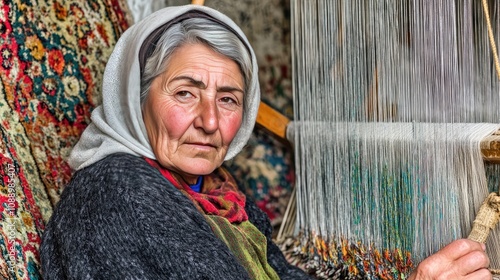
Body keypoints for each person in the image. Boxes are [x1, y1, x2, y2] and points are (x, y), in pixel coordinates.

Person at [41, 4, 491, 280]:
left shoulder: (217, 192)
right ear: (133, 100)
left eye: (229, 99)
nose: (211, 120)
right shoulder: (118, 191)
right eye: (185, 93)